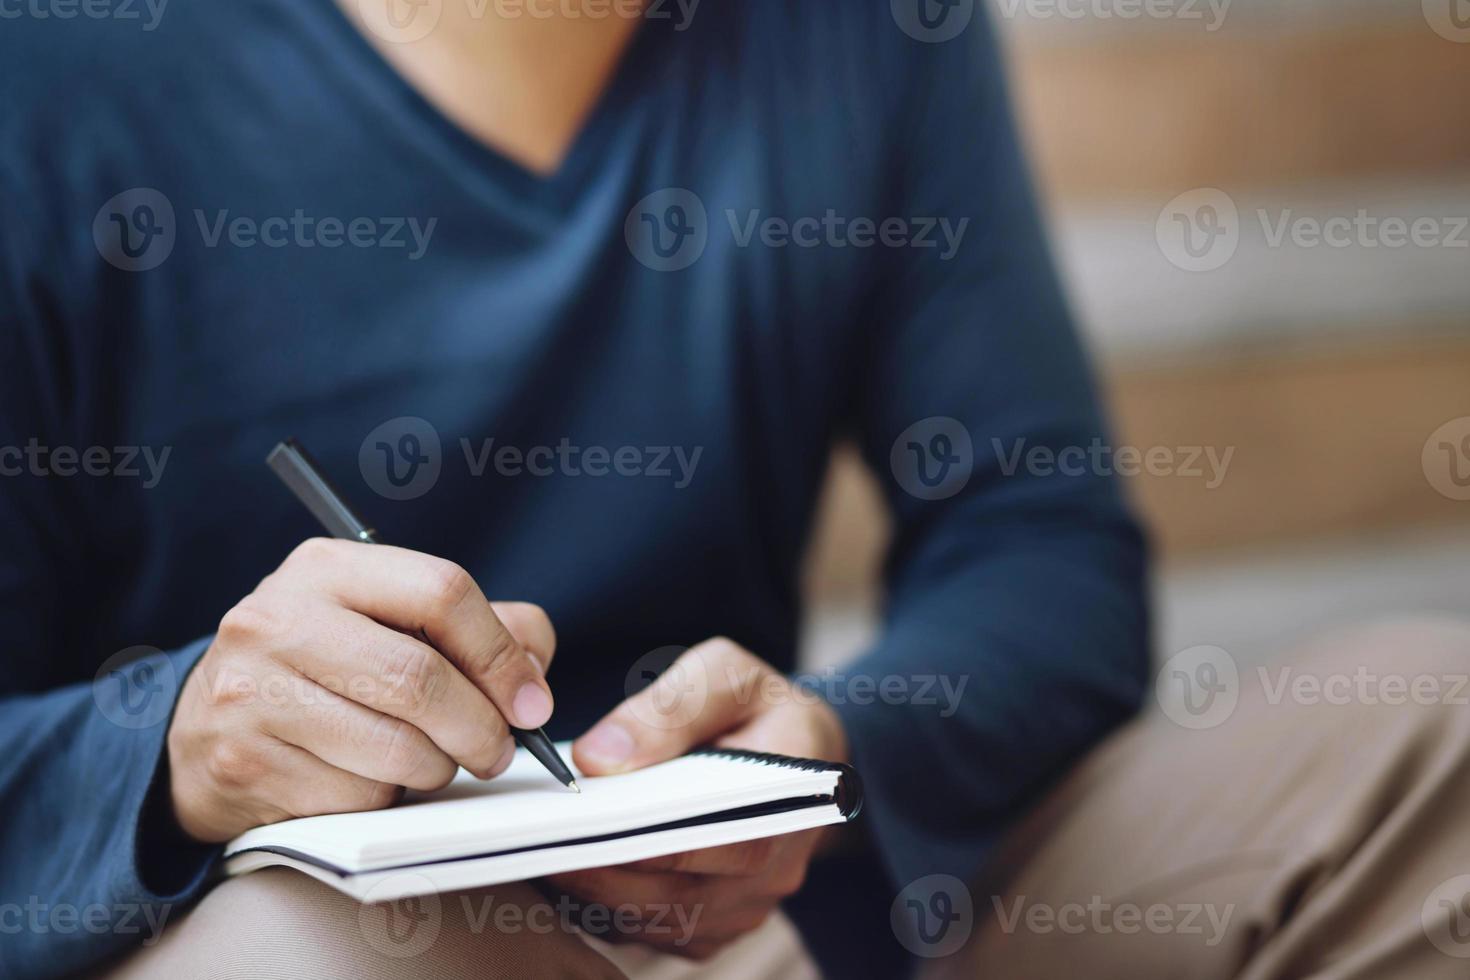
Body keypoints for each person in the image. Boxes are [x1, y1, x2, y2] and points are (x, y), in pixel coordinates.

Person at [0, 1, 1153, 977]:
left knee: (1339, 750)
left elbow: (1045, 543)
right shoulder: (52, 68)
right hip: (279, 926)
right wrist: (174, 755)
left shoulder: (863, 29)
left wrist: (829, 749)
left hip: (769, 913)